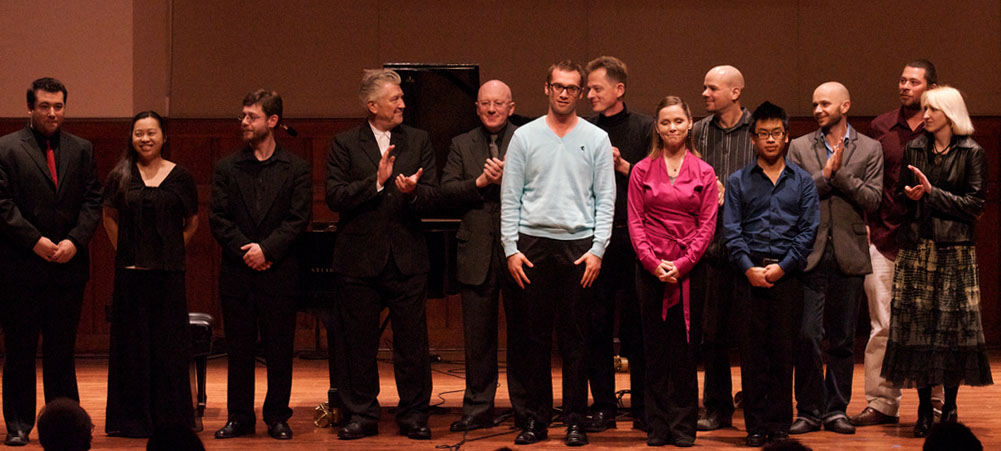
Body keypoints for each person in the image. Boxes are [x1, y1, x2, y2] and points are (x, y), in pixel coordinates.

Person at [501, 60, 615, 446]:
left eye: (572, 88)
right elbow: (510, 196)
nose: (564, 93)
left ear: (580, 93)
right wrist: (510, 249)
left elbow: (606, 197)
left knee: (576, 340)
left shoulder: (596, 138)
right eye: (558, 86)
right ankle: (536, 420)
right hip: (532, 244)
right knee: (533, 339)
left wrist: (598, 249)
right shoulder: (525, 137)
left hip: (579, 248)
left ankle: (575, 421)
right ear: (547, 88)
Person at [326, 69, 438, 441]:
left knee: (412, 345)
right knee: (358, 344)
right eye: (395, 98)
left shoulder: (419, 140)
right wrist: (375, 182)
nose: (403, 104)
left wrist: (412, 192)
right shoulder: (344, 143)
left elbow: (434, 195)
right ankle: (361, 414)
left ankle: (414, 414)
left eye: (402, 98)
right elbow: (334, 196)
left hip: (407, 258)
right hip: (359, 260)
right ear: (372, 105)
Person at [880, 86, 993, 438]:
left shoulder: (972, 152)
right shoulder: (915, 148)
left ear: (950, 113)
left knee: (952, 332)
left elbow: (974, 205)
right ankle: (924, 408)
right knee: (918, 330)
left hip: (954, 249)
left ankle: (951, 407)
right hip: (918, 247)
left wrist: (933, 194)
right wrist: (911, 196)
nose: (925, 115)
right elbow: (899, 196)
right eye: (925, 109)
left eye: (933, 110)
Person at [0, 77, 102, 447]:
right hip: (21, 266)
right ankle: (19, 424)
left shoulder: (82, 148)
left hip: (67, 267)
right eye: (44, 106)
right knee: (20, 350)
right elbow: (2, 204)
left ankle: (66, 424)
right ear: (30, 108)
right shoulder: (6, 148)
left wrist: (75, 240)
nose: (52, 113)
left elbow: (93, 200)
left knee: (61, 352)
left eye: (58, 106)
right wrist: (35, 241)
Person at [209, 89, 311, 440]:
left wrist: (266, 250)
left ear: (273, 121)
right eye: (242, 116)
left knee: (279, 350)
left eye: (251, 116)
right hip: (238, 273)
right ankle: (239, 417)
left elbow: (298, 219)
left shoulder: (296, 168)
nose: (244, 122)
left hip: (278, 272)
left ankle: (277, 416)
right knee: (238, 350)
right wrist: (247, 252)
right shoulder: (227, 167)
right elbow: (219, 219)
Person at [788, 82, 883, 436]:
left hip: (849, 250)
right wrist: (826, 174)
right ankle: (808, 409)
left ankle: (836, 409)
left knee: (843, 340)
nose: (817, 110)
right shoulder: (799, 146)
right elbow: (794, 194)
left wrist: (840, 174)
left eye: (825, 103)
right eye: (815, 104)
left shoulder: (870, 148)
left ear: (845, 105)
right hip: (809, 252)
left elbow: (873, 199)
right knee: (807, 335)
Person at [722, 101, 819, 447]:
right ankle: (755, 425)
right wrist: (748, 268)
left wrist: (782, 267)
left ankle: (779, 425)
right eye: (763, 134)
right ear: (753, 139)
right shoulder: (738, 181)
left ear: (787, 136)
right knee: (752, 354)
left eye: (776, 133)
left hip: (787, 276)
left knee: (783, 352)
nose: (771, 139)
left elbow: (807, 232)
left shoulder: (803, 182)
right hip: (747, 275)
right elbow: (731, 231)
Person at [851, 59, 941, 428]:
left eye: (913, 81)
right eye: (902, 80)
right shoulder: (881, 126)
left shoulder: (942, 125)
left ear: (930, 88)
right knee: (882, 327)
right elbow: (866, 179)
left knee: (930, 327)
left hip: (929, 241)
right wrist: (865, 225)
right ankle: (882, 403)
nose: (904, 86)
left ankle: (935, 404)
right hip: (884, 236)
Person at [626, 96, 718, 447]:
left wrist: (681, 265)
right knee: (654, 350)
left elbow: (707, 226)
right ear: (657, 127)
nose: (672, 128)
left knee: (685, 351)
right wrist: (653, 264)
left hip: (690, 271)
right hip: (650, 270)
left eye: (678, 121)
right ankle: (657, 425)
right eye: (665, 122)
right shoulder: (641, 170)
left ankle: (682, 426)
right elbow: (635, 222)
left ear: (690, 123)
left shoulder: (704, 171)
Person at [103, 111, 198, 437]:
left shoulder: (181, 177)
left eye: (151, 133)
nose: (145, 139)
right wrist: (126, 252)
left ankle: (170, 419)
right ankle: (130, 420)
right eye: (139, 133)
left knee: (168, 349)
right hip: (130, 277)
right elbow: (108, 217)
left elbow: (192, 222)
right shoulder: (120, 175)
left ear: (163, 137)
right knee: (131, 348)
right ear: (132, 138)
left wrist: (170, 250)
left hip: (168, 276)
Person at [440, 79, 517, 432]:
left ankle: (527, 408)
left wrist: (507, 182)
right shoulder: (461, 143)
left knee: (524, 335)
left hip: (519, 251)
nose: (491, 109)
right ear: (476, 108)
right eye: (485, 103)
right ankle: (477, 408)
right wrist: (480, 183)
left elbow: (543, 189)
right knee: (478, 338)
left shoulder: (527, 138)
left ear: (511, 108)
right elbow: (446, 191)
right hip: (476, 252)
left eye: (498, 103)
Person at [583, 56, 653, 433]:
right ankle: (603, 407)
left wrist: (624, 166)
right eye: (589, 88)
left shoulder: (645, 128)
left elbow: (659, 181)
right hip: (598, 239)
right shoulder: (585, 129)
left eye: (597, 88)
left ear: (619, 89)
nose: (589, 94)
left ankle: (643, 407)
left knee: (639, 327)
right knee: (596, 325)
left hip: (637, 238)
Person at [690, 65, 755, 432]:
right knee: (711, 335)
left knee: (751, 335)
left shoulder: (757, 131)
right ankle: (716, 408)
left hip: (750, 248)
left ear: (735, 92)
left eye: (712, 88)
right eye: (704, 87)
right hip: (711, 247)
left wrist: (733, 196)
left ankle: (756, 405)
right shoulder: (698, 132)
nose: (705, 94)